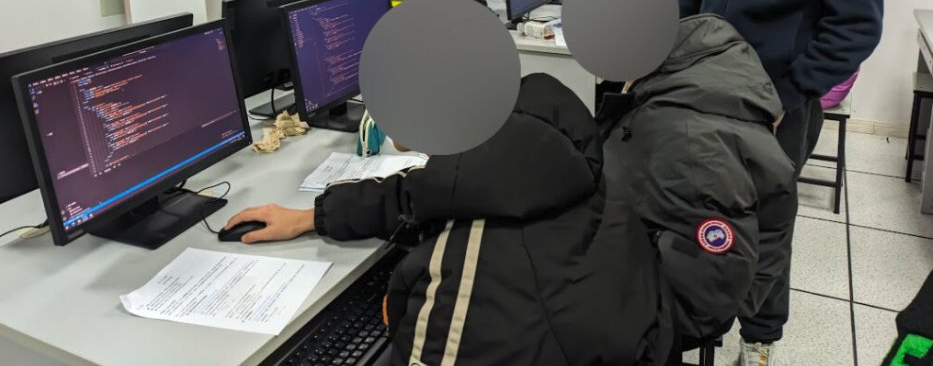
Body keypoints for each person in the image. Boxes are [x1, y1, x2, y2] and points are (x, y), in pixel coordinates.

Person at [225, 73, 675, 366]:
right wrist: (315, 217)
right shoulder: (532, 144)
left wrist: (401, 313)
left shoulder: (477, 255)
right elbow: (423, 192)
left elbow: (439, 349)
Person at [676, 0, 884, 365]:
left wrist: (788, 95)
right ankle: (694, 321)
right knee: (694, 209)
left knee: (765, 224)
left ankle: (759, 339)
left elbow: (856, 25)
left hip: (780, 104)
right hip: (707, 88)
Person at [598, 14, 797, 358]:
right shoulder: (735, 90)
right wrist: (750, 300)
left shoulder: (663, 127)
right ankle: (759, 337)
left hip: (670, 311)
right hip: (720, 291)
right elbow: (777, 219)